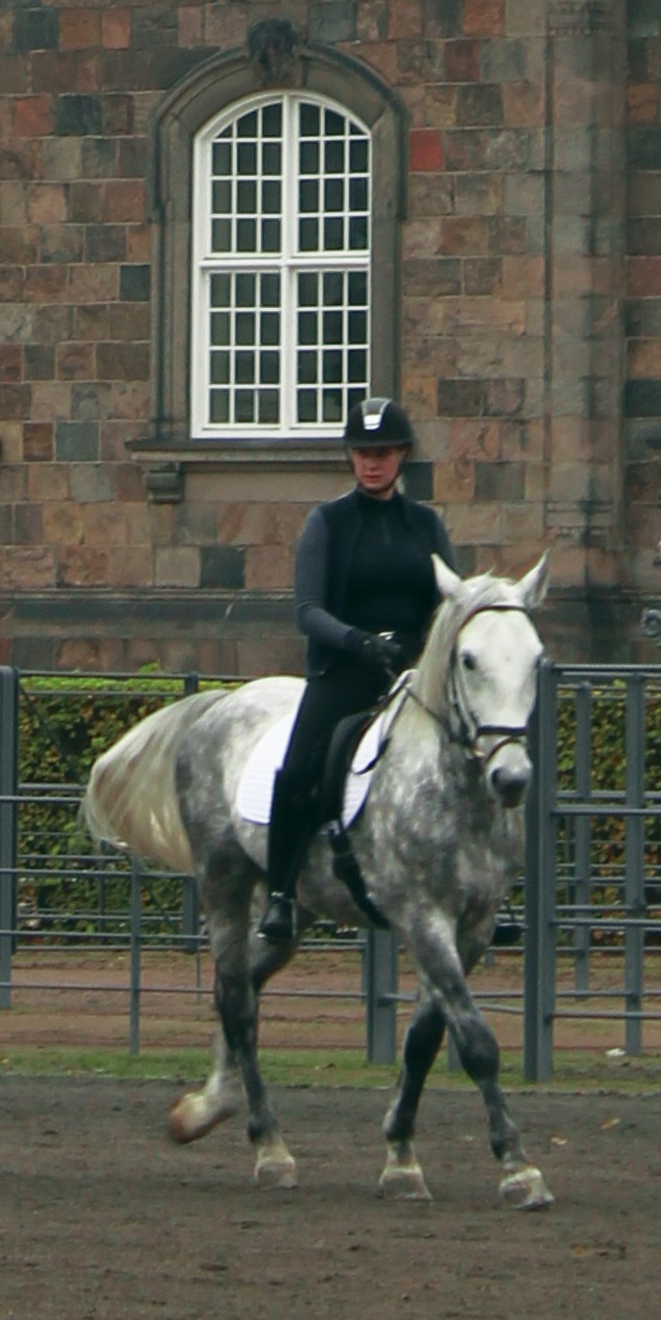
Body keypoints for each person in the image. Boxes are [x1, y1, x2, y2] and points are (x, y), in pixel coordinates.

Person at [257, 394, 457, 953]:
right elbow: (308, 611)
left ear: (401, 456)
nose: (373, 462)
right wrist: (361, 643)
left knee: (472, 755)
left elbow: (450, 600)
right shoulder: (328, 523)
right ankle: (280, 892)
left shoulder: (426, 525)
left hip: (413, 675)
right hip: (345, 673)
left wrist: (416, 647)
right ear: (351, 457)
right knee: (299, 767)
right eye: (364, 452)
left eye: (384, 452)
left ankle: (480, 888)